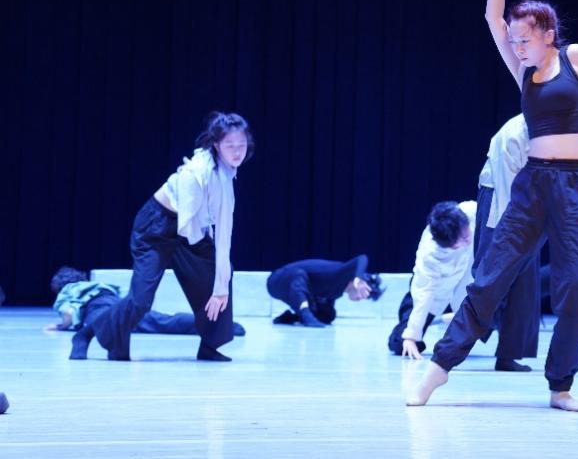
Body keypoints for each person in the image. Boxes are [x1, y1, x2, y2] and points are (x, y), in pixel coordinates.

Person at [408, 0, 578, 412]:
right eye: (514, 39)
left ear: (548, 36)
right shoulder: (523, 73)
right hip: (532, 183)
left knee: (575, 283)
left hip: (576, 186)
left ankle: (560, 385)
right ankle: (438, 368)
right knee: (490, 277)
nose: (517, 45)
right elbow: (492, 19)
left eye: (525, 38)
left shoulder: (575, 59)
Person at [72, 111, 253, 362]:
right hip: (157, 227)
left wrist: (220, 287)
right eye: (230, 145)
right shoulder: (197, 172)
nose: (237, 151)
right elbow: (197, 225)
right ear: (216, 145)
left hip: (189, 229)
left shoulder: (226, 171)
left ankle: (209, 346)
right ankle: (87, 332)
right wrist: (216, 278)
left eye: (241, 145)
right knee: (140, 301)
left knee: (222, 273)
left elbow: (223, 231)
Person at [47, 267, 245, 359]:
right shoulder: (98, 284)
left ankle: (84, 337)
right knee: (165, 321)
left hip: (97, 308)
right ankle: (222, 325)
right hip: (122, 305)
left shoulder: (68, 291)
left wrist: (60, 326)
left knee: (100, 322)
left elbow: (68, 313)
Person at [474, 113, 541, 372]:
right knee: (492, 271)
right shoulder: (515, 132)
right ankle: (459, 339)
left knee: (525, 280)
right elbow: (505, 185)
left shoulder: (552, 128)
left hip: (529, 205)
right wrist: (510, 228)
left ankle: (509, 353)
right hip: (500, 201)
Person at [388, 201, 476, 359]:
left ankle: (454, 317)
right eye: (462, 239)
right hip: (435, 295)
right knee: (400, 342)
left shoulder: (470, 211)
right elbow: (425, 294)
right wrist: (411, 336)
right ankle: (441, 319)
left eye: (467, 233)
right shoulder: (430, 254)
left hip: (464, 289)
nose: (468, 240)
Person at [267, 255, 383, 326]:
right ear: (357, 283)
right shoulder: (341, 273)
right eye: (363, 292)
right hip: (277, 280)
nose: (361, 298)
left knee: (328, 315)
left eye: (366, 297)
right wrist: (359, 277)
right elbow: (362, 258)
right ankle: (305, 314)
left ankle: (291, 317)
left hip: (291, 291)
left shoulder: (337, 292)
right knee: (299, 274)